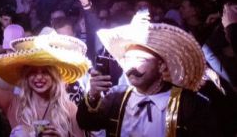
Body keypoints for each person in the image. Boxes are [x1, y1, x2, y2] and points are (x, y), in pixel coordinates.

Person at [77, 12, 220, 136]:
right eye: (127, 59)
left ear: (161, 65)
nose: (131, 66)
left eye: (141, 59)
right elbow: (87, 123)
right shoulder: (116, 97)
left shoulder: (189, 104)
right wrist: (93, 95)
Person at [0, 33, 90, 136]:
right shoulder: (14, 103)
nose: (39, 77)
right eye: (33, 72)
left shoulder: (68, 108)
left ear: (55, 76)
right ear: (26, 76)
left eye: (45, 72)